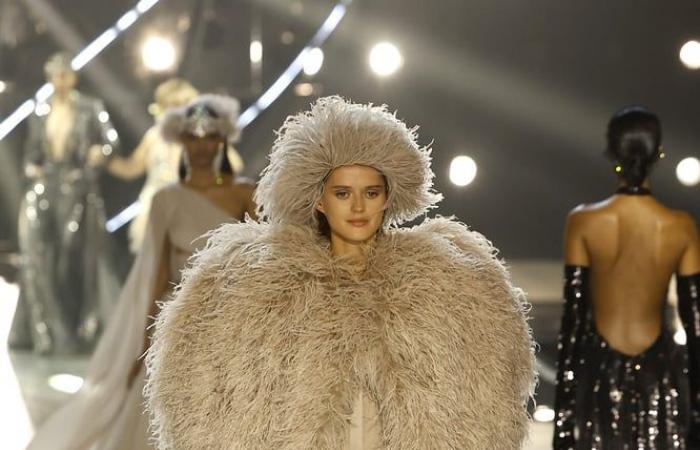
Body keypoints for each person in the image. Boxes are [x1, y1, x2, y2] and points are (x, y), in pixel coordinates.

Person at [146, 96, 536, 449]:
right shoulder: (264, 286)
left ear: (387, 198)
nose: (358, 208)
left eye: (371, 193)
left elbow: (479, 395)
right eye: (342, 193)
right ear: (319, 201)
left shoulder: (443, 283)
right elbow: (217, 394)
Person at [27, 94, 257, 450]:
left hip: (233, 318)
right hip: (180, 320)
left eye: (209, 135)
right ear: (181, 140)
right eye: (192, 135)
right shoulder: (166, 199)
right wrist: (145, 343)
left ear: (222, 139)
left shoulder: (245, 194)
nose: (201, 144)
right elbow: (159, 272)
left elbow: (262, 258)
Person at [553, 106, 700, 449]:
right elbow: (696, 328)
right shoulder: (681, 227)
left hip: (600, 379)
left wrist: (563, 425)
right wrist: (697, 418)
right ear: (658, 154)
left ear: (611, 153)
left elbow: (572, 326)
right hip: (661, 379)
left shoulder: (584, 223)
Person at [10, 52, 119, 354]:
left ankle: (79, 325)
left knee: (74, 254)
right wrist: (33, 169)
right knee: (34, 253)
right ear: (49, 76)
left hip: (77, 185)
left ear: (73, 77)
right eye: (54, 74)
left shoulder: (90, 108)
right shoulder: (40, 112)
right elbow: (31, 154)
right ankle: (43, 331)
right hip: (45, 185)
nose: (59, 80)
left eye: (64, 74)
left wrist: (100, 152)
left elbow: (110, 141)